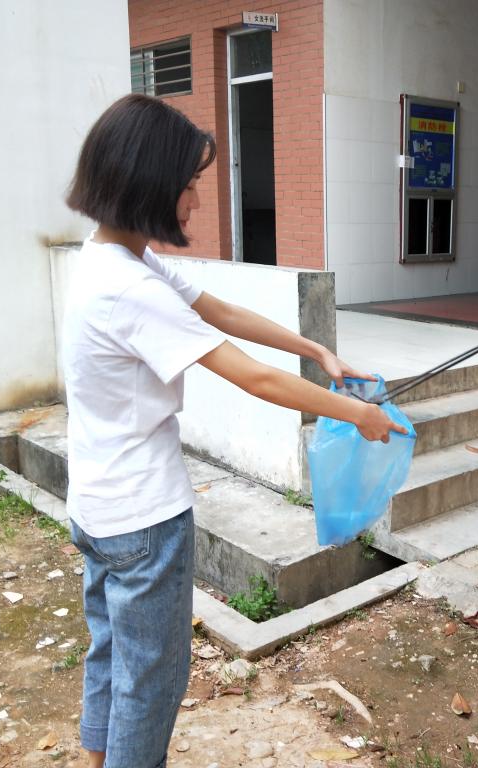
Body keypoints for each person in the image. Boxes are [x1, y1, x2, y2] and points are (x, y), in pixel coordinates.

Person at [62, 93, 405, 768]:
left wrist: (316, 349)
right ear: (149, 184)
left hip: (97, 508)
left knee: (111, 656)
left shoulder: (113, 260)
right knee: (150, 684)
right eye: (190, 184)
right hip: (143, 519)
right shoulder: (131, 289)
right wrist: (359, 414)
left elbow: (221, 311)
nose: (196, 201)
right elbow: (255, 379)